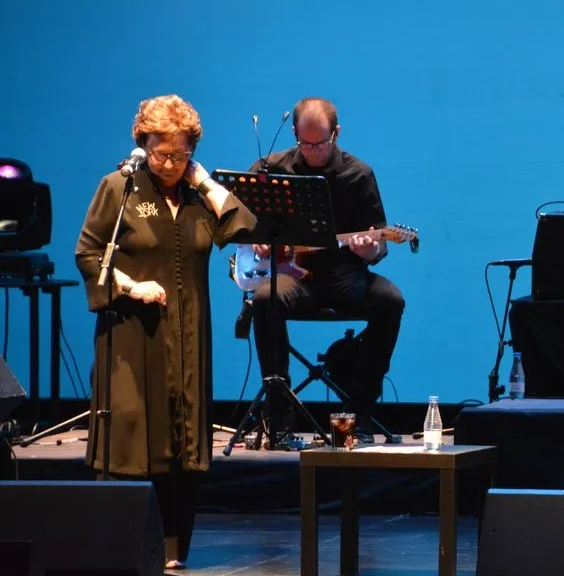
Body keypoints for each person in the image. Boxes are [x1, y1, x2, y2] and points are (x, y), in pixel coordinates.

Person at [75, 94, 257, 570]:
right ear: (143, 144)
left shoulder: (197, 195)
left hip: (189, 335)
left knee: (184, 439)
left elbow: (244, 227)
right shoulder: (120, 188)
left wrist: (205, 181)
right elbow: (89, 254)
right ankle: (126, 544)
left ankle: (174, 548)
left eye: (180, 154)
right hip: (134, 334)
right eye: (160, 153)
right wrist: (131, 286)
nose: (170, 164)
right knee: (132, 434)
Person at [247, 97, 405, 443]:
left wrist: (370, 249)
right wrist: (258, 238)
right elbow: (245, 219)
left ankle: (359, 413)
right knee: (264, 299)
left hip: (345, 276)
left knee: (390, 300)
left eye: (321, 143)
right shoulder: (271, 169)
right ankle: (279, 419)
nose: (313, 151)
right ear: (295, 133)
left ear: (336, 133)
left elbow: (378, 243)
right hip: (293, 276)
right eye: (305, 143)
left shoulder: (358, 174)